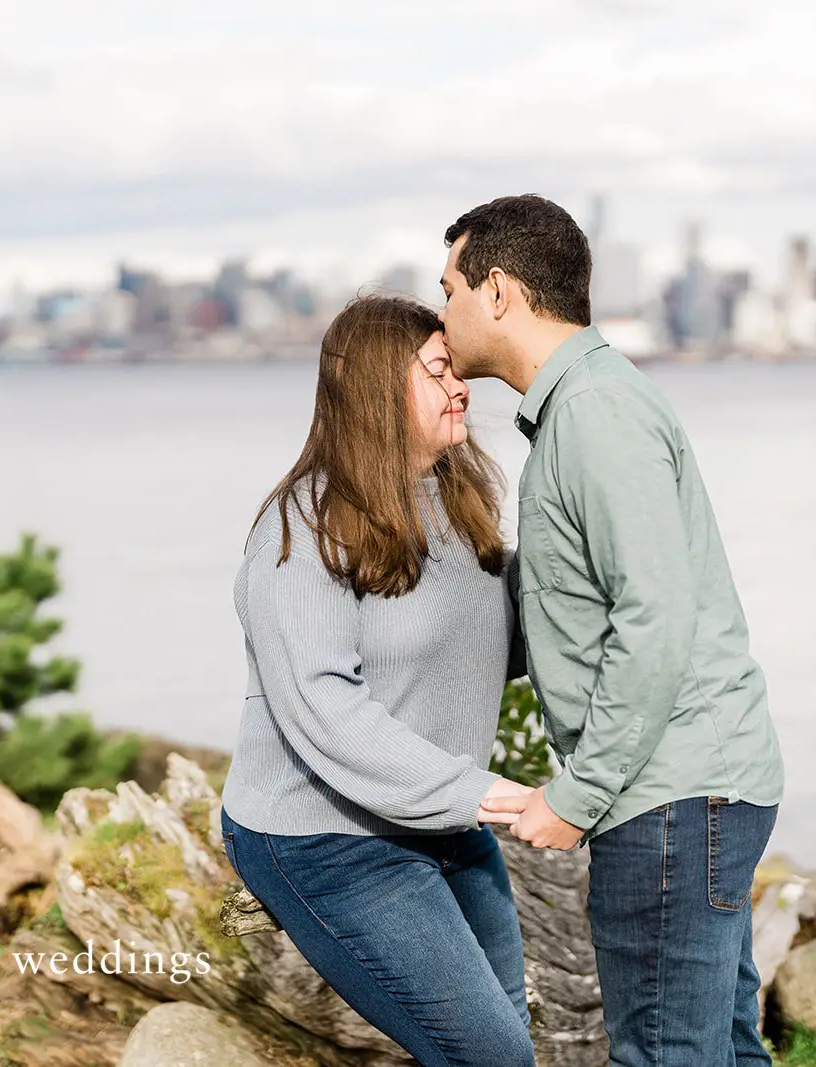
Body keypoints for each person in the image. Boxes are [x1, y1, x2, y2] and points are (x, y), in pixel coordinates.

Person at [440, 194, 786, 1066]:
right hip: (689, 790)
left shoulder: (595, 414)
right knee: (719, 1049)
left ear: (498, 292)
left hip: (670, 799)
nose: (442, 314)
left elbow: (653, 618)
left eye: (449, 291)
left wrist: (576, 794)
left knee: (666, 1053)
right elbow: (571, 608)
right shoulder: (579, 411)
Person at [218, 293, 538, 1067]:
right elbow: (327, 712)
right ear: (378, 390)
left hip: (437, 819)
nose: (462, 387)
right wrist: (494, 795)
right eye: (439, 371)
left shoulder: (458, 499)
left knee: (505, 1046)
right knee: (492, 1058)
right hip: (322, 835)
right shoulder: (303, 530)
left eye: (457, 371)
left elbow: (494, 649)